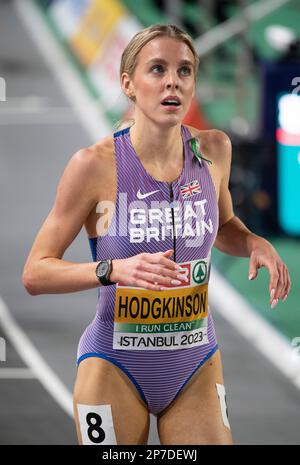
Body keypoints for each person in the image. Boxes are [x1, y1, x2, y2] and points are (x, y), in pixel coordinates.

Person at [22, 24, 291, 445]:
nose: (173, 81)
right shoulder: (94, 165)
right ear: (128, 84)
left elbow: (223, 227)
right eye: (158, 69)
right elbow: (35, 273)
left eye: (184, 71)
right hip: (114, 363)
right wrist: (112, 269)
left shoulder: (214, 149)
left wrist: (254, 242)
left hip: (195, 362)